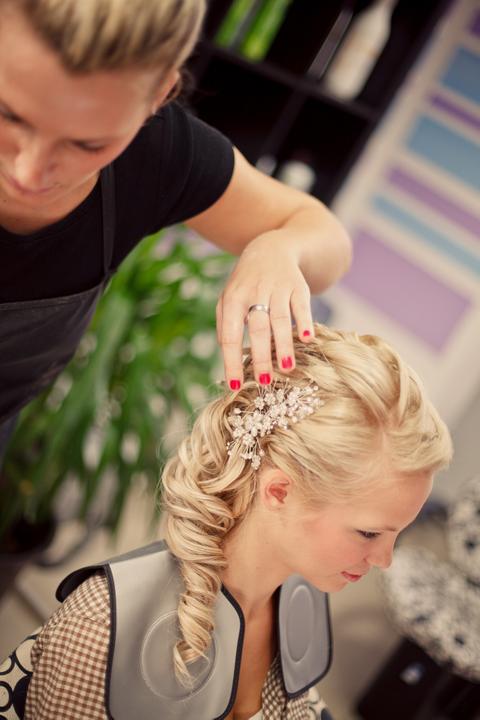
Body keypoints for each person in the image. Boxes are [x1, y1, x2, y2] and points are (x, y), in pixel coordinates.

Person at [3, 323, 452, 719]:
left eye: (397, 534)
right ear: (279, 491)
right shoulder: (100, 632)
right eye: (369, 533)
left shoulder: (299, 598)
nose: (385, 560)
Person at [0, 0, 352, 460]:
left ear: (159, 94)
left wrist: (279, 249)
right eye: (9, 115)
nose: (28, 171)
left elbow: (326, 240)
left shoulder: (159, 154)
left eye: (87, 143)